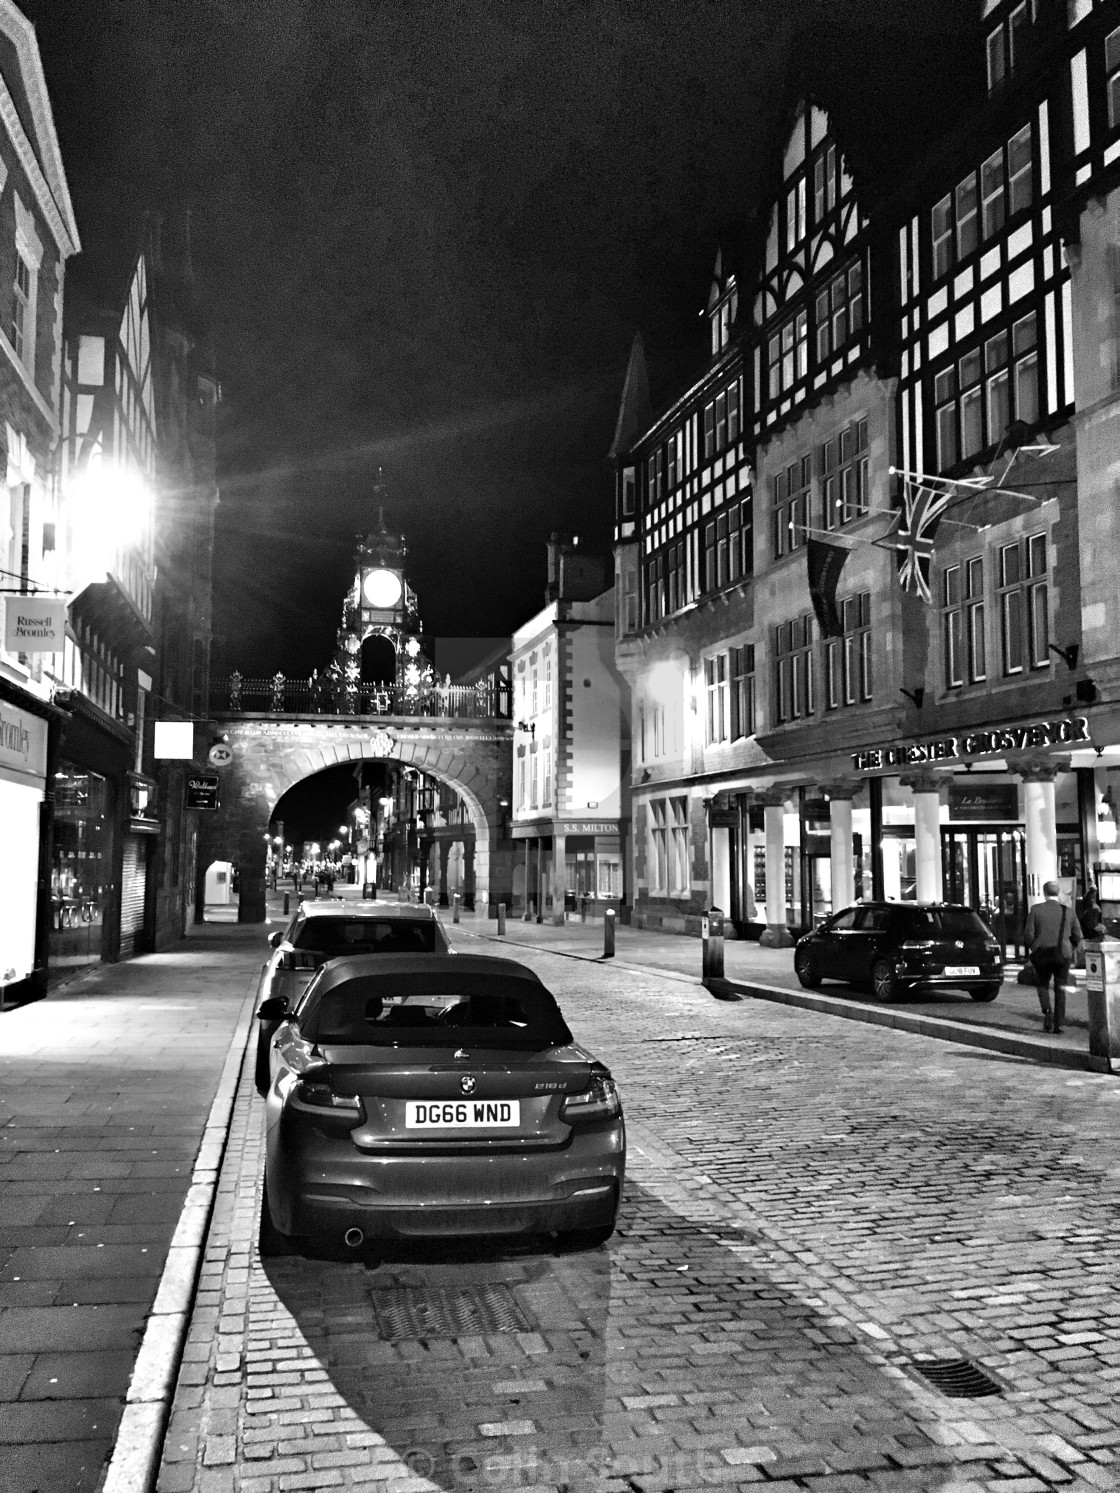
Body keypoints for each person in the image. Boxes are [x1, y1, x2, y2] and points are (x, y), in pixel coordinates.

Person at [1023, 881, 1082, 1035]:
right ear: (1058, 892)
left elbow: (1028, 934)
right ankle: (1059, 1024)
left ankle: (1047, 1012)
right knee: (1060, 988)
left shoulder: (1035, 910)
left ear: (1044, 892)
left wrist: (1034, 947)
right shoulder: (1068, 912)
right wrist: (1070, 947)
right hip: (1062, 954)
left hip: (1042, 953)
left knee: (1042, 984)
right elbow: (1078, 935)